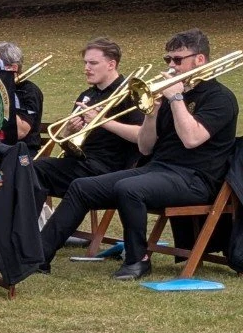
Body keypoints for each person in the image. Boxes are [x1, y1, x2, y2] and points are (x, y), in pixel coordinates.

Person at [40, 28, 238, 280]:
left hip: (196, 178)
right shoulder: (171, 97)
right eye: (168, 60)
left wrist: (176, 98)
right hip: (158, 169)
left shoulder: (220, 98)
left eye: (178, 60)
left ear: (200, 60)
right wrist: (152, 113)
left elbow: (192, 139)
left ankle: (138, 260)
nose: (171, 66)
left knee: (129, 188)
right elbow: (145, 147)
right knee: (81, 187)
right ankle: (38, 257)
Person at [34, 37, 144, 197]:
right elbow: (68, 142)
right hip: (82, 164)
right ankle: (29, 221)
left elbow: (140, 136)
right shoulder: (87, 95)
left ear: (111, 64)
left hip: (111, 169)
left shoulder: (130, 93)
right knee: (28, 170)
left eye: (93, 63)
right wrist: (69, 132)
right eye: (85, 63)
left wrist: (102, 121)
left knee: (36, 170)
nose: (86, 68)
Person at [0, 41, 44, 154]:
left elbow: (20, 132)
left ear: (13, 67)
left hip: (21, 152)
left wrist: (3, 93)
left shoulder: (29, 91)